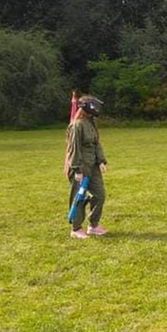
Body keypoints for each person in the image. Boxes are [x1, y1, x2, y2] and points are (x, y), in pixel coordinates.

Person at [66, 95, 109, 239]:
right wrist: (77, 169)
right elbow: (74, 149)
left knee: (99, 195)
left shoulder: (91, 123)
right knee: (79, 197)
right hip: (80, 167)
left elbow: (96, 144)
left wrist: (101, 161)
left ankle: (93, 225)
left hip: (93, 166)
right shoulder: (77, 125)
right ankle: (76, 228)